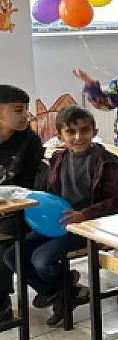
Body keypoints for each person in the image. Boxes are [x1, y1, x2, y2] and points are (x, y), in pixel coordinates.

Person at [13, 106, 118, 327]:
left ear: (94, 131)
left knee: (41, 260)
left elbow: (114, 202)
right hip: (58, 223)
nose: (78, 137)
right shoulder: (58, 159)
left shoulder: (106, 161)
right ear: (60, 135)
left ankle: (62, 292)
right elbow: (48, 195)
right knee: (11, 255)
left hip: (89, 226)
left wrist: (84, 214)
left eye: (84, 131)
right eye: (71, 132)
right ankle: (64, 291)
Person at [0, 85, 44, 322]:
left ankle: (2, 303)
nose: (25, 115)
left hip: (20, 211)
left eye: (26, 109)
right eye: (18, 110)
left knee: (2, 240)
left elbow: (30, 186)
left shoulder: (29, 140)